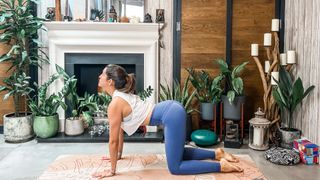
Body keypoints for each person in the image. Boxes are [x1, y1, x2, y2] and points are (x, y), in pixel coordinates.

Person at [92, 64, 243, 178]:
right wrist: (118, 156)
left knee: (175, 168)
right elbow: (118, 132)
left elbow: (112, 141)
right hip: (171, 110)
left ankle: (220, 166)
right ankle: (217, 154)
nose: (99, 76)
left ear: (110, 81)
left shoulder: (115, 103)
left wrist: (112, 171)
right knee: (177, 153)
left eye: (102, 75)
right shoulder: (119, 97)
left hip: (172, 114)